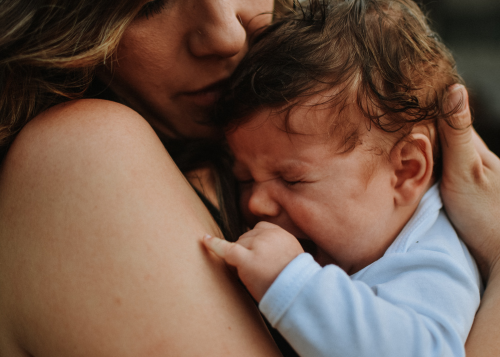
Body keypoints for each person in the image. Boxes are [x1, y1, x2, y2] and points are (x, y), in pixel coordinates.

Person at [0, 0, 499, 356]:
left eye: (294, 178)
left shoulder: (362, 137)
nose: (227, 34)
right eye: (150, 4)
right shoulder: (86, 159)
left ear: (409, 168)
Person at [203, 1, 481, 356]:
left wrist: (293, 283)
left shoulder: (431, 257)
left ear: (406, 171)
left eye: (291, 180)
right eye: (243, 178)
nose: (256, 203)